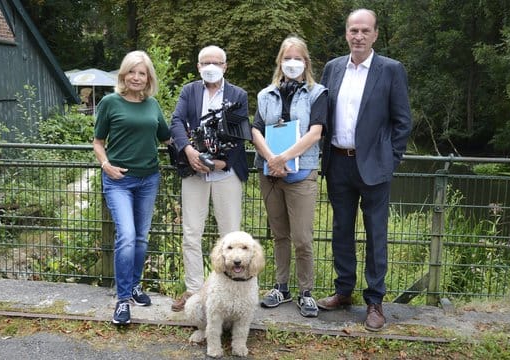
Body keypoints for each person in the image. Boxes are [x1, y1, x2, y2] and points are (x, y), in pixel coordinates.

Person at [317, 9, 413, 331]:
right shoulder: (332, 69)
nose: (358, 36)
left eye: (364, 31)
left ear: (375, 35)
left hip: (374, 166)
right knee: (341, 230)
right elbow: (321, 115)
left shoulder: (390, 70)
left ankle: (374, 301)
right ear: (346, 33)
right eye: (353, 30)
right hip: (337, 162)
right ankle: (343, 291)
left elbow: (402, 122)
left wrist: (391, 159)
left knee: (376, 235)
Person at [251, 36, 328, 318]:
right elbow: (256, 129)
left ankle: (306, 291)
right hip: (271, 175)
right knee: (279, 235)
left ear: (305, 61)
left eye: (297, 58)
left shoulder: (318, 93)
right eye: (287, 58)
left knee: (302, 238)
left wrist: (285, 157)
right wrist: (272, 158)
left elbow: (315, 132)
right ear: (280, 62)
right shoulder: (265, 94)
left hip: (302, 173)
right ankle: (281, 287)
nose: (292, 63)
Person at [92, 50, 171, 325]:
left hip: (149, 179)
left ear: (148, 77)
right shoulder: (109, 102)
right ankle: (123, 300)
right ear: (123, 75)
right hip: (118, 181)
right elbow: (98, 142)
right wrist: (105, 165)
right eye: (132, 72)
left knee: (141, 238)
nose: (137, 77)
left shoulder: (152, 105)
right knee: (126, 235)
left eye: (142, 73)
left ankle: (135, 286)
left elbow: (167, 137)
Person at [169, 45, 249, 312]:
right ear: (198, 66)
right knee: (192, 233)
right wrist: (189, 151)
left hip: (225, 173)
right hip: (193, 171)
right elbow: (177, 122)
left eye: (217, 62)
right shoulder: (189, 91)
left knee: (231, 235)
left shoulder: (238, 94)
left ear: (225, 66)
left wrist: (221, 162)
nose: (211, 66)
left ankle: (230, 293)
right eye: (206, 62)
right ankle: (194, 290)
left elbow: (240, 134)